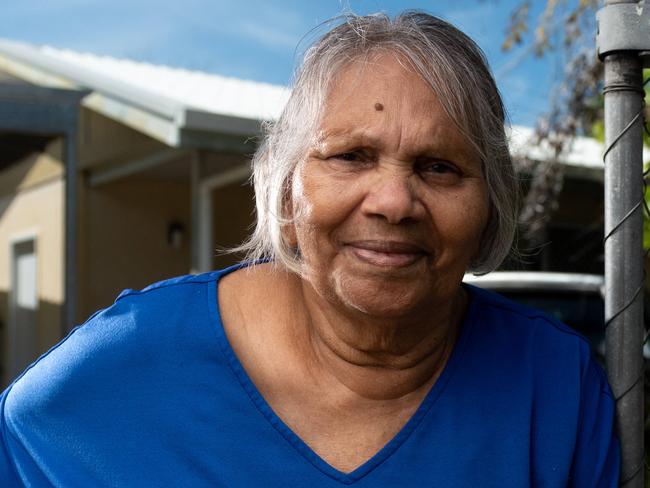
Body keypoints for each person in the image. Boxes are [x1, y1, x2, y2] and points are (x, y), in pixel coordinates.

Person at [0, 11, 618, 487]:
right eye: (351, 156)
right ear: (286, 190)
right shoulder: (132, 358)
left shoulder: (553, 384)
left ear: (490, 206)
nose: (394, 202)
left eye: (439, 167)